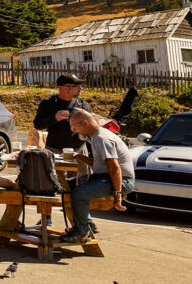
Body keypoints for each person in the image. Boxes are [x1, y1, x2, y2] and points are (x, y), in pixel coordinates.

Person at [62, 110, 134, 243]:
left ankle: (82, 232)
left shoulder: (102, 138)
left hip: (121, 181)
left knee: (79, 194)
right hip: (105, 177)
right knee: (65, 186)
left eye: (75, 127)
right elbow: (99, 164)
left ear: (84, 123)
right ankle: (88, 224)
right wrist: (78, 156)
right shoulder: (95, 136)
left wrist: (117, 195)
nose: (74, 130)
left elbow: (114, 168)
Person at [33, 73, 90, 154]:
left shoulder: (82, 104)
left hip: (79, 151)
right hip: (54, 151)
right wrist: (54, 118)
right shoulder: (48, 103)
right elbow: (37, 125)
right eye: (77, 86)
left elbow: (90, 127)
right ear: (66, 88)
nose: (81, 88)